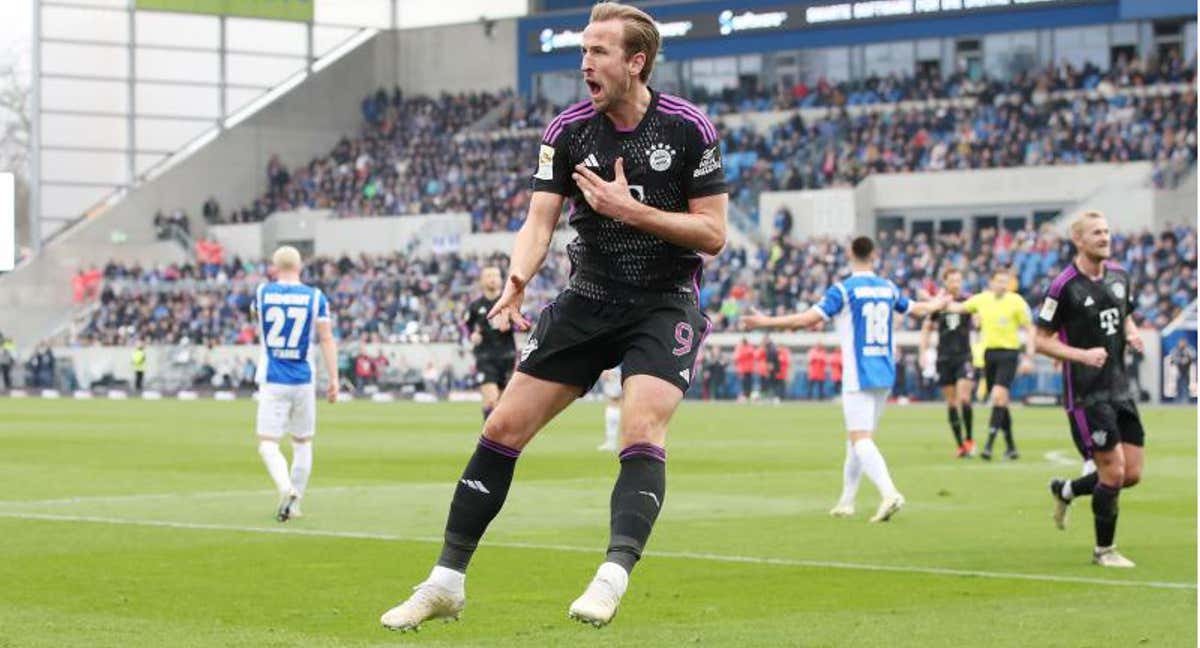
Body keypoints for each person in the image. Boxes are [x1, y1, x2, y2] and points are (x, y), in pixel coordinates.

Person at [380, 2, 728, 631]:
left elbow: (712, 233)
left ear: (636, 61)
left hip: (664, 299)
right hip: (588, 296)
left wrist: (634, 212)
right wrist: (517, 280)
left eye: (598, 51)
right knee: (504, 426)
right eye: (583, 51)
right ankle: (444, 583)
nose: (584, 62)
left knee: (641, 423)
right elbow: (539, 222)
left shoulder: (687, 128)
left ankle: (612, 574)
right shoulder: (567, 131)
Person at [743, 236, 946, 523]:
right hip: (884, 371)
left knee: (860, 439)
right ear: (874, 254)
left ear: (850, 253)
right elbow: (918, 309)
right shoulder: (888, 288)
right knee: (857, 439)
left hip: (858, 373)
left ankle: (889, 493)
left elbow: (806, 320)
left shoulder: (844, 289)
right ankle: (846, 501)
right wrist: (938, 302)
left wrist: (766, 323)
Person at [1035, 211, 1145, 568]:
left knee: (1131, 475)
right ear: (1078, 241)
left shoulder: (1120, 276)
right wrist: (1080, 354)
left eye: (1107, 232)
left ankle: (1066, 490)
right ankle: (1104, 551)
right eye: (1096, 233)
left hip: (1120, 388)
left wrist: (1132, 332)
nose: (1105, 237)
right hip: (1086, 395)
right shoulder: (1063, 286)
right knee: (1112, 473)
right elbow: (1040, 341)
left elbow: (1124, 312)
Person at [252, 246, 339, 523]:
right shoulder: (315, 297)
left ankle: (285, 487)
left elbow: (258, 321)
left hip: (273, 377)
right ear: (300, 267)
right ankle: (296, 501)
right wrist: (334, 378)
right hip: (303, 378)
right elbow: (326, 338)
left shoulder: (262, 293)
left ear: (274, 267)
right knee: (302, 442)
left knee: (268, 444)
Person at [944, 268, 1035, 460]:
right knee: (1001, 401)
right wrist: (936, 302)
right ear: (991, 283)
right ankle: (1011, 447)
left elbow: (1029, 328)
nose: (1003, 285)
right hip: (989, 354)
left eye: (1005, 281)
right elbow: (957, 308)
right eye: (999, 281)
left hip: (1009, 354)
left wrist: (1029, 356)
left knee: (998, 396)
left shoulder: (1017, 302)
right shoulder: (982, 299)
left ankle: (989, 445)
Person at [919, 268, 976, 457]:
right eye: (952, 280)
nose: (956, 284)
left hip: (964, 356)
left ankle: (970, 439)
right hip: (944, 358)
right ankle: (960, 445)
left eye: (959, 280)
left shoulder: (968, 300)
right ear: (945, 282)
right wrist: (923, 352)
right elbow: (927, 327)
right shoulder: (938, 303)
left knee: (965, 398)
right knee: (951, 403)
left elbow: (978, 318)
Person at [464, 266, 517, 421]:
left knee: (500, 405)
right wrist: (472, 335)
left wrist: (511, 325)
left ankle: (491, 438)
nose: (492, 278)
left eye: (496, 275)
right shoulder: (475, 306)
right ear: (482, 281)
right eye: (488, 276)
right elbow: (465, 327)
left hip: (507, 357)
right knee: (492, 399)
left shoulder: (509, 303)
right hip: (485, 357)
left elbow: (524, 324)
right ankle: (489, 440)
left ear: (501, 280)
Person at [598, 367, 622, 451]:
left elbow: (605, 375)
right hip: (617, 372)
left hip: (615, 371)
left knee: (613, 401)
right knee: (614, 402)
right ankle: (611, 443)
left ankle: (611, 443)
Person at [1168, 337, 1195, 402]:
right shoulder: (1175, 350)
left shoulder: (1189, 349)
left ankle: (1187, 400)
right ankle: (1177, 400)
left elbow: (1193, 357)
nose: (1182, 344)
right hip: (1178, 370)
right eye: (1181, 342)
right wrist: (1180, 361)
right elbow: (1172, 359)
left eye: (1183, 342)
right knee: (1178, 385)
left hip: (1187, 370)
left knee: (1187, 385)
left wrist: (1187, 359)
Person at [734, 337, 755, 402]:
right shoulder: (742, 348)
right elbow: (737, 358)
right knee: (744, 383)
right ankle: (744, 396)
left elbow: (738, 357)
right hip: (743, 369)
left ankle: (746, 396)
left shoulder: (746, 348)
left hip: (746, 369)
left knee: (747, 384)